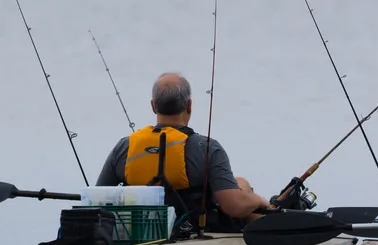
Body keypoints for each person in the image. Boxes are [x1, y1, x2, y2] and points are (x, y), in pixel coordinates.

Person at [95, 72, 273, 233]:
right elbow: (234, 206)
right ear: (189, 106)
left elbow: (97, 198)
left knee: (239, 184)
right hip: (193, 229)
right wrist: (258, 200)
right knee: (241, 185)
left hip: (138, 231)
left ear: (153, 106)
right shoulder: (207, 147)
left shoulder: (124, 146)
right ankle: (276, 231)